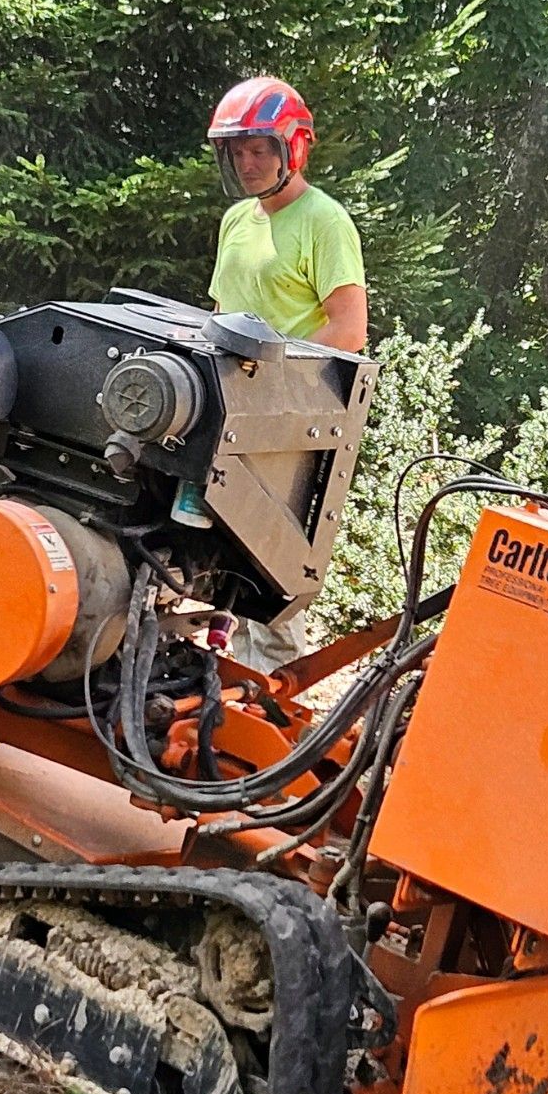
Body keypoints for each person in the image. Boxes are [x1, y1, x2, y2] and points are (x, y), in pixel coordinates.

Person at [207, 75, 368, 671]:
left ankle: (269, 711)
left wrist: (269, 373)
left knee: (271, 575)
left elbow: (349, 331)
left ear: (291, 148)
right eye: (238, 151)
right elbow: (222, 318)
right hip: (231, 411)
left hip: (294, 421)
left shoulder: (324, 221)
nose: (248, 163)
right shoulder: (236, 221)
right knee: (216, 560)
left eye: (260, 150)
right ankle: (218, 692)